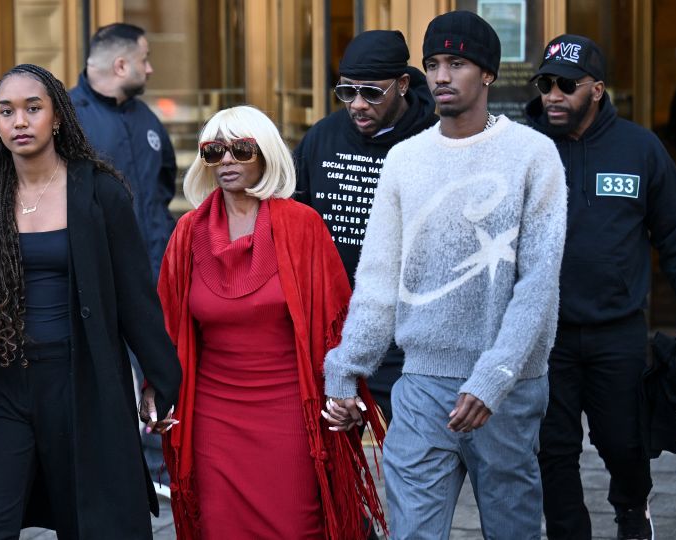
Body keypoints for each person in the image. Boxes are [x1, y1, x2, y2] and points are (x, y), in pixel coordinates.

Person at [322, 11, 567, 539]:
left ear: (488, 75)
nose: (441, 76)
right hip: (421, 384)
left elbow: (539, 284)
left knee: (512, 531)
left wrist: (494, 378)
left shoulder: (533, 155)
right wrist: (347, 366)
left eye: (457, 63)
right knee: (411, 532)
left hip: (509, 388)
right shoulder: (406, 160)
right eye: (433, 63)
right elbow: (380, 278)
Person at [0, 64, 181, 540]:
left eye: (32, 108)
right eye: (7, 111)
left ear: (57, 117)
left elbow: (134, 295)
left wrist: (157, 379)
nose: (19, 121)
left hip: (80, 381)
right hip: (0, 383)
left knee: (90, 523)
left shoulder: (101, 194)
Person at [157, 105, 386, 539]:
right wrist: (157, 393)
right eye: (214, 151)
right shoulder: (187, 233)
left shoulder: (302, 226)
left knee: (297, 527)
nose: (227, 160)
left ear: (265, 155)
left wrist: (345, 393)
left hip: (290, 414)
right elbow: (169, 330)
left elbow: (339, 324)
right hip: (213, 417)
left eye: (241, 149)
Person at [524, 34, 676, 540]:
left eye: (566, 85)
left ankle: (633, 514)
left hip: (618, 332)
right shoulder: (527, 149)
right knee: (553, 448)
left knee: (626, 444)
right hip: (547, 332)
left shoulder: (640, 148)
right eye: (546, 84)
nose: (553, 95)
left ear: (597, 89)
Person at [293, 30, 438, 422]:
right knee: (329, 463)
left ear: (403, 84)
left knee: (411, 466)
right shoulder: (323, 137)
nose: (357, 105)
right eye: (346, 92)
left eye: (372, 93)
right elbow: (293, 220)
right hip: (334, 329)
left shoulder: (434, 143)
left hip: (407, 339)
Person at [68, 22, 177, 484]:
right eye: (145, 59)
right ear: (120, 64)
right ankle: (103, 472)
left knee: (160, 368)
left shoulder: (147, 119)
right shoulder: (67, 118)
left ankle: (161, 468)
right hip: (93, 277)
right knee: (97, 380)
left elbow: (163, 183)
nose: (149, 68)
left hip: (152, 272)